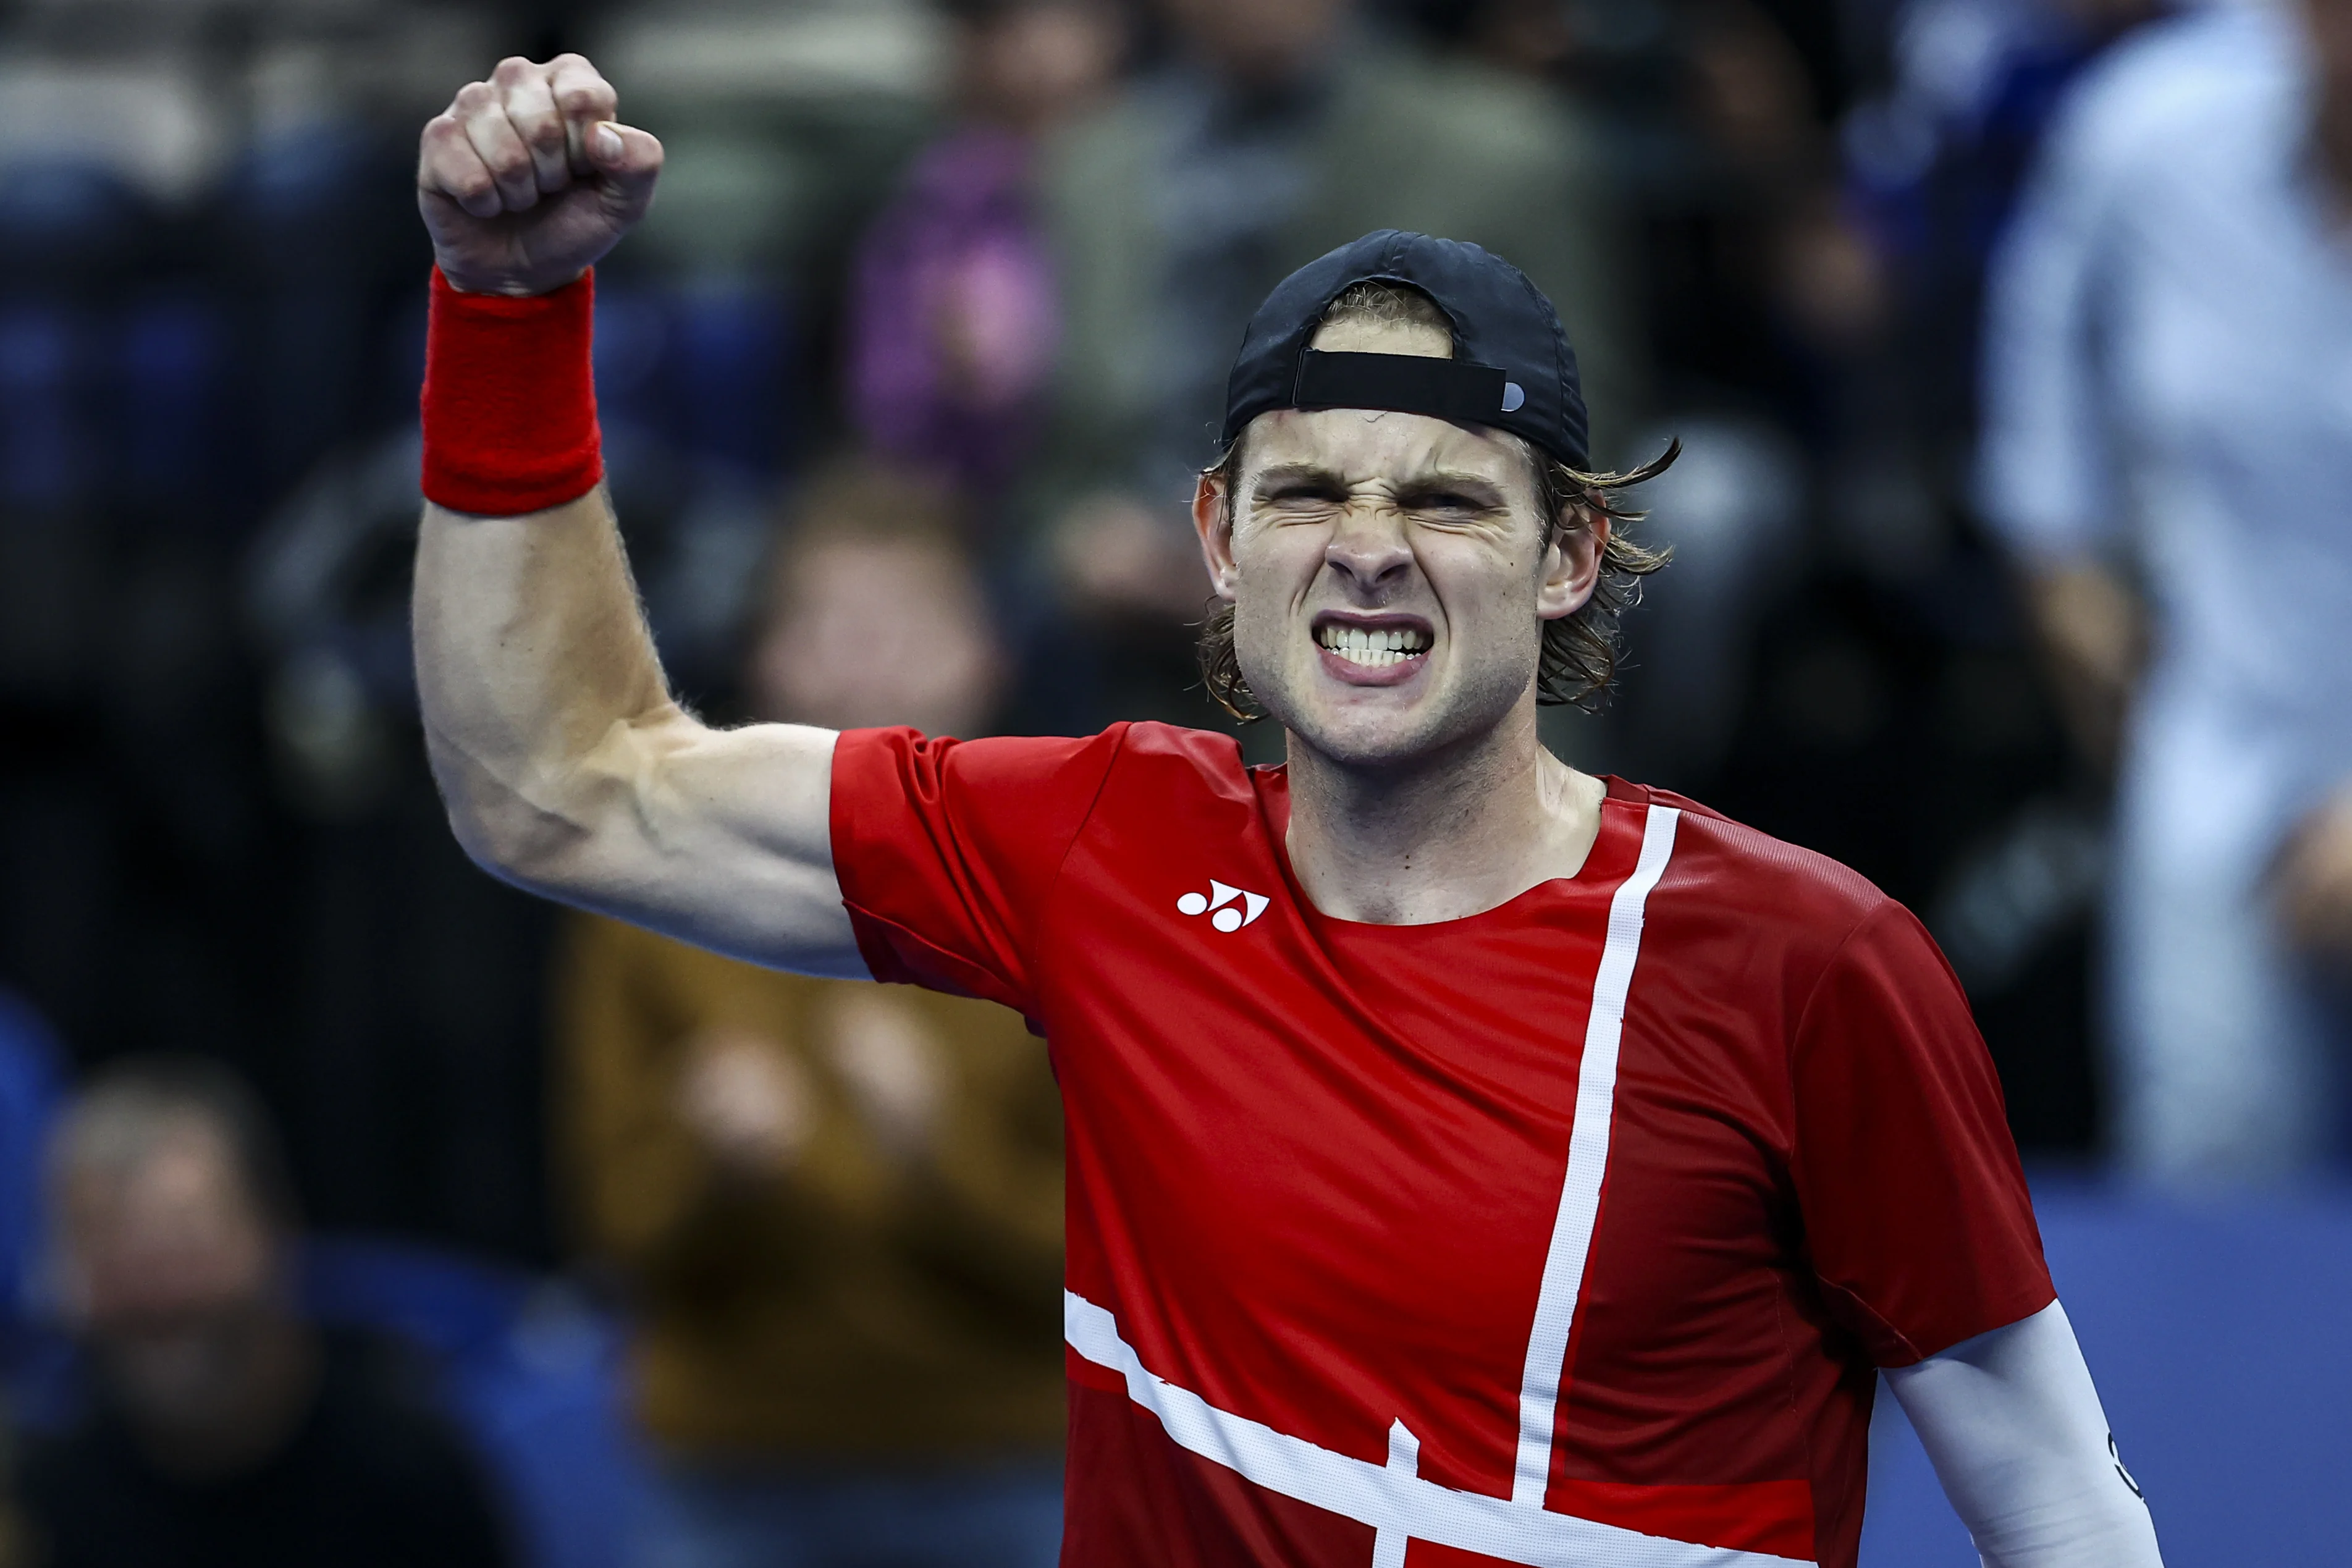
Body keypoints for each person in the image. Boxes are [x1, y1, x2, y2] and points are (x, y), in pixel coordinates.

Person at [409, 56, 2162, 1567]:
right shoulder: (1103, 847)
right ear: (1216, 545)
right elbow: (561, 788)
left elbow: (2057, 1509)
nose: (1366, 544)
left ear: (1566, 557)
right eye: (1304, 488)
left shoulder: (1800, 965)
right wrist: (502, 311)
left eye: (1448, 500)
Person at [558, 460, 1067, 1568]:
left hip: (1012, 1464)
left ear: (988, 655)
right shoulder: (655, 898)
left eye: (907, 621)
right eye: (827, 621)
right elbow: (612, 1244)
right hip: (730, 1473)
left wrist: (942, 1160)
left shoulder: (1083, 909)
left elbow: (1126, 1271)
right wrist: (709, 1170)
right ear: (766, 656)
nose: (866, 659)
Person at [1019, 0, 1645, 730]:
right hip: (1112, 604)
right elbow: (1049, 440)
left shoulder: (1506, 149)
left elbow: (1583, 421)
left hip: (1408, 566)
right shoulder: (1090, 163)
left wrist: (1314, 539)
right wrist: (1074, 534)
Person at [1978, 0, 2352, 1183]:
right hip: (2213, 733)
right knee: (2204, 1155)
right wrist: (2073, 605)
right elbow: (2039, 410)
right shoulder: (2144, 132)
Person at [15, 1056, 511, 1568]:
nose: (160, 1299)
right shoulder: (44, 1509)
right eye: (111, 1252)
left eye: (185, 1244)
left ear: (275, 1232)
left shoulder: (411, 1473)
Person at [846, 0, 1125, 499]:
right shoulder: (941, 196)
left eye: (1069, 20)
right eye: (1015, 27)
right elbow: (887, 393)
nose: (1043, 51)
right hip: (971, 487)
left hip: (1118, 479)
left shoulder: (1160, 169)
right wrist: (955, 379)